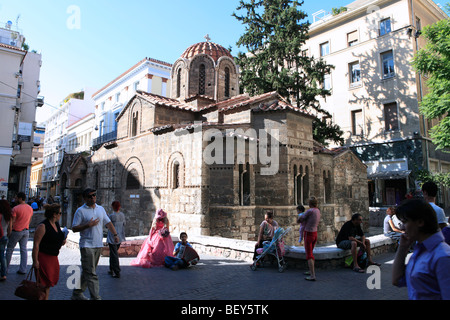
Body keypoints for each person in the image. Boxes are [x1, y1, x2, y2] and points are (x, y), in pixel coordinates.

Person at [392, 198, 450, 300]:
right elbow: (396, 279)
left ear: (420, 222)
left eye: (405, 222)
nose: (402, 228)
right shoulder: (420, 251)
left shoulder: (442, 257)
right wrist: (402, 248)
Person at [71, 188, 119, 300]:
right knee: (91, 273)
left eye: (94, 195)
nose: (93, 197)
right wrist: (88, 225)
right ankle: (95, 297)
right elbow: (74, 228)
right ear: (85, 198)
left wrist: (115, 234)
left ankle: (77, 293)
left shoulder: (100, 209)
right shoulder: (80, 211)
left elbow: (108, 223)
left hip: (98, 245)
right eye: (90, 196)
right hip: (86, 245)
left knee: (88, 271)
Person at [31, 203, 65, 300]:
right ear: (54, 214)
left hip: (53, 257)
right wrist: (35, 261)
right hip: (43, 257)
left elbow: (56, 238)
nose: (60, 215)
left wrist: (62, 241)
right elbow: (36, 244)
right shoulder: (42, 226)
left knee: (48, 283)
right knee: (43, 283)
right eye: (60, 213)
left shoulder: (56, 224)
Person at [6, 192, 34, 274]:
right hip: (26, 230)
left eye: (16, 198)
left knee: (9, 250)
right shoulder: (30, 208)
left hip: (16, 231)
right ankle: (23, 269)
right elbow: (30, 220)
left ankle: (5, 269)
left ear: (20, 198)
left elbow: (12, 222)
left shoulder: (15, 209)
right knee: (23, 250)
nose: (15, 199)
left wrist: (9, 232)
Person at [298, 197, 320, 281]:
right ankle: (311, 271)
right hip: (315, 233)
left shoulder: (310, 211)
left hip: (308, 233)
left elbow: (300, 219)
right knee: (311, 253)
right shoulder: (317, 210)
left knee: (309, 254)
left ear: (310, 203)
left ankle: (312, 275)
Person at [107, 200, 126, 278]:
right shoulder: (122, 215)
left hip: (112, 237)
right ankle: (111, 269)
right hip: (120, 237)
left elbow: (107, 226)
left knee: (114, 254)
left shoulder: (111, 216)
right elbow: (124, 224)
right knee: (113, 253)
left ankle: (116, 271)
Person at [0, 200, 12, 281]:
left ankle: (3, 273)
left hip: (0, 236)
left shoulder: (0, 215)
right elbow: (10, 228)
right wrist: (8, 235)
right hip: (4, 236)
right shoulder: (8, 216)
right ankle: (3, 274)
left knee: (1, 255)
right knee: (2, 255)